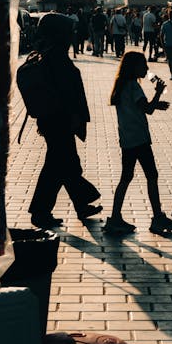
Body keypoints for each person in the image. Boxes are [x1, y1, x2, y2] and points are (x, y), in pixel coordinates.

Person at [27, 13, 102, 228]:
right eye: (69, 31)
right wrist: (74, 116)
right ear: (59, 33)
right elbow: (65, 91)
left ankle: (81, 203)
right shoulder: (56, 56)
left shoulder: (47, 53)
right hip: (60, 119)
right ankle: (41, 211)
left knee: (65, 161)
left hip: (54, 119)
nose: (73, 35)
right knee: (57, 165)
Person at [104, 51, 172, 235]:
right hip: (139, 139)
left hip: (128, 139)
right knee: (151, 175)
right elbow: (147, 109)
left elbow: (141, 107)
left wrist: (156, 104)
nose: (147, 69)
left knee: (126, 177)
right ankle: (157, 218)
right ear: (133, 67)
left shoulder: (122, 86)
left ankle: (115, 217)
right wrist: (158, 94)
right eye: (143, 66)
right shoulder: (133, 87)